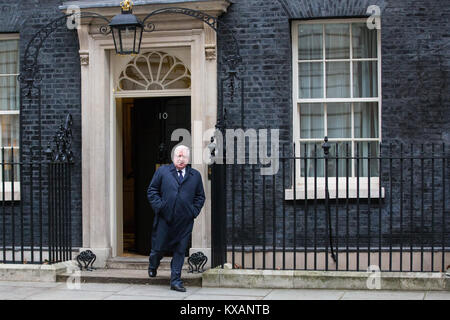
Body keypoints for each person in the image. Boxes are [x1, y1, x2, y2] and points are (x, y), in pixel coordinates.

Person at [147, 145, 205, 292]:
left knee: (180, 250)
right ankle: (153, 265)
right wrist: (160, 207)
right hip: (164, 219)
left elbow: (200, 196)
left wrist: (193, 211)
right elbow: (152, 190)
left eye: (183, 156)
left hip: (184, 221)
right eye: (178, 156)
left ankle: (176, 281)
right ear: (173, 158)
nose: (181, 159)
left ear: (188, 159)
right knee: (158, 249)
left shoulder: (195, 175)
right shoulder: (162, 172)